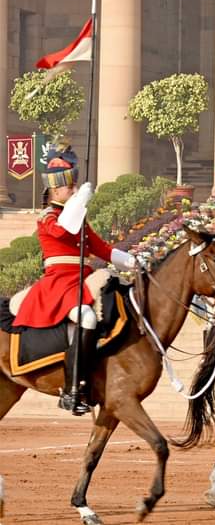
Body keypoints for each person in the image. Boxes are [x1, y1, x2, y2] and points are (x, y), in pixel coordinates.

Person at [14, 150, 138, 415]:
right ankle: (72, 391)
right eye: (68, 187)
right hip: (58, 284)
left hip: (80, 281)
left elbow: (102, 249)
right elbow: (64, 229)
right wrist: (81, 198)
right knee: (87, 318)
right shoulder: (48, 216)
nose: (72, 190)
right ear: (54, 191)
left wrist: (135, 262)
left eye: (74, 187)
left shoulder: (77, 217)